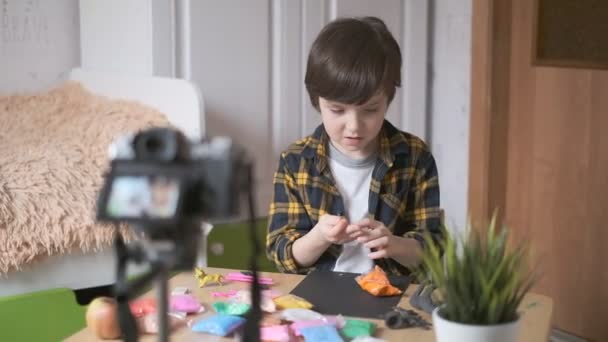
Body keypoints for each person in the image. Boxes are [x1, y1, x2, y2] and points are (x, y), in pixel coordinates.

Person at [266, 16, 442, 276]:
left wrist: (394, 244)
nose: (354, 126)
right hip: (316, 297)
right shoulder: (296, 161)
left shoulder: (415, 157)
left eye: (370, 110)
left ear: (388, 100)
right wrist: (320, 237)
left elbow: (433, 250)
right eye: (337, 110)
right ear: (317, 101)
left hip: (392, 294)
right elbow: (281, 253)